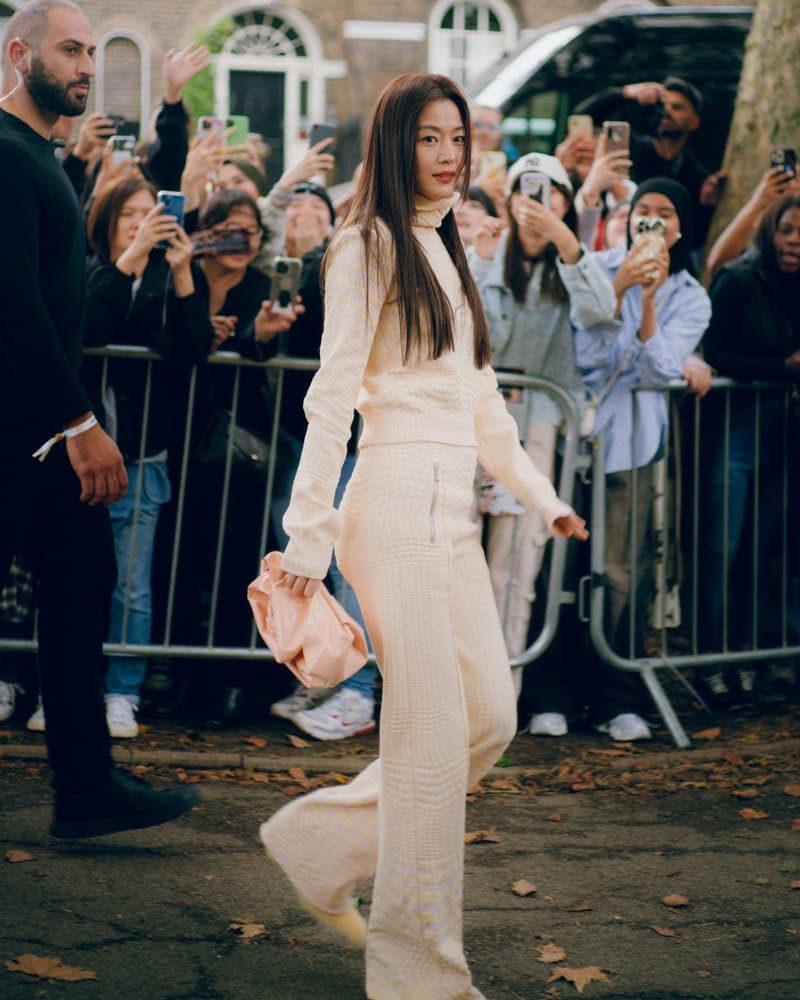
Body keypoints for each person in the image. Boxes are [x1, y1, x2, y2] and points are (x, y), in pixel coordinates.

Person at [258, 73, 587, 998]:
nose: (448, 155)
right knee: (432, 737)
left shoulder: (447, 253)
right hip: (393, 498)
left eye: (457, 139)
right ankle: (421, 976)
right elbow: (331, 398)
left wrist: (539, 494)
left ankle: (318, 842)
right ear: (396, 146)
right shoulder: (363, 246)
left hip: (453, 511)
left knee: (490, 718)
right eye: (429, 138)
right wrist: (306, 540)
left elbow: (485, 408)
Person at [0, 0, 197, 837]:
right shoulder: (7, 159)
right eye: (70, 49)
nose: (85, 65)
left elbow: (61, 297)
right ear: (20, 53)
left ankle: (85, 787)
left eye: (89, 51)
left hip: (37, 430)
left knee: (82, 580)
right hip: (26, 430)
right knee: (80, 580)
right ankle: (85, 784)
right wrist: (80, 423)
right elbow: (12, 309)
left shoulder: (38, 157)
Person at [468, 152, 616, 725]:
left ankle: (499, 699)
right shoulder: (485, 254)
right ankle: (451, 693)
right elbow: (482, 340)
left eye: (551, 191)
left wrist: (566, 239)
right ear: (508, 198)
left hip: (538, 427)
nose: (537, 202)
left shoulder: (573, 256)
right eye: (526, 190)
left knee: (516, 565)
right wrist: (483, 265)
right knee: (457, 557)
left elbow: (602, 313)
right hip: (475, 424)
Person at [573, 177, 711, 741]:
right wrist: (619, 288)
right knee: (561, 569)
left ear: (678, 229)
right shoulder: (597, 268)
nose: (652, 221)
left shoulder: (691, 296)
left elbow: (659, 371)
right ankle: (555, 691)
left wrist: (647, 298)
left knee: (624, 573)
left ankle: (616, 695)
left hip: (632, 444)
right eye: (643, 211)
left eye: (664, 214)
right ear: (628, 220)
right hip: (572, 438)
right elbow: (586, 356)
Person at [81, 175, 213, 738]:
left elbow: (191, 351)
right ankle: (69, 687)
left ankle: (122, 692)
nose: (141, 222)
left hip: (142, 455)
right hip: (80, 451)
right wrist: (130, 261)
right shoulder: (87, 273)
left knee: (129, 584)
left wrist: (182, 273)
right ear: (108, 221)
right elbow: (87, 328)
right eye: (129, 214)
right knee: (73, 579)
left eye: (150, 212)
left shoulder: (170, 278)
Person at [698, 193, 800, 703]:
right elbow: (713, 351)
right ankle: (710, 661)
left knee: (766, 550)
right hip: (735, 428)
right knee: (722, 548)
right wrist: (780, 368)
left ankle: (750, 653)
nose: (795, 241)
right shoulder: (739, 278)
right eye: (787, 230)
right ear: (769, 231)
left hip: (784, 433)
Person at [573, 76, 724, 248]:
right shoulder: (627, 151)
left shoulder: (696, 177)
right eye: (662, 106)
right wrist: (625, 93)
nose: (667, 112)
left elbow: (694, 241)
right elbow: (581, 119)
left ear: (694, 122)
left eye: (677, 107)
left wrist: (706, 207)